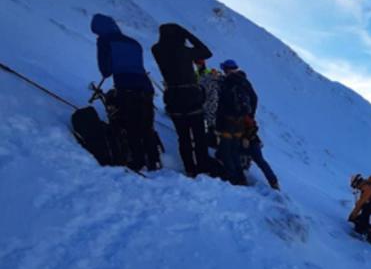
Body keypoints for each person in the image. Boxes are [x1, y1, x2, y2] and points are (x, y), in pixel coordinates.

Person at [91, 13, 159, 171]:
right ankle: (153, 160)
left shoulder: (105, 41)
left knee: (131, 126)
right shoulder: (133, 42)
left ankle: (138, 161)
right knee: (147, 126)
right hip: (146, 86)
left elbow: (106, 71)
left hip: (126, 87)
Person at [152, 23, 214, 177]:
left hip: (174, 98)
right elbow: (207, 52)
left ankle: (190, 169)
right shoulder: (185, 51)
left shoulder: (157, 50)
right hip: (192, 97)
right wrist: (187, 34)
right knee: (199, 136)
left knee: (183, 137)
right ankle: (203, 168)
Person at [214, 59, 258, 186]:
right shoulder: (244, 81)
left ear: (226, 69)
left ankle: (232, 177)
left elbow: (221, 106)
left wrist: (218, 125)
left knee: (225, 150)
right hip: (240, 123)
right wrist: (249, 116)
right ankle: (241, 177)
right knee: (234, 150)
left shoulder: (227, 82)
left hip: (227, 122)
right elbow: (254, 98)